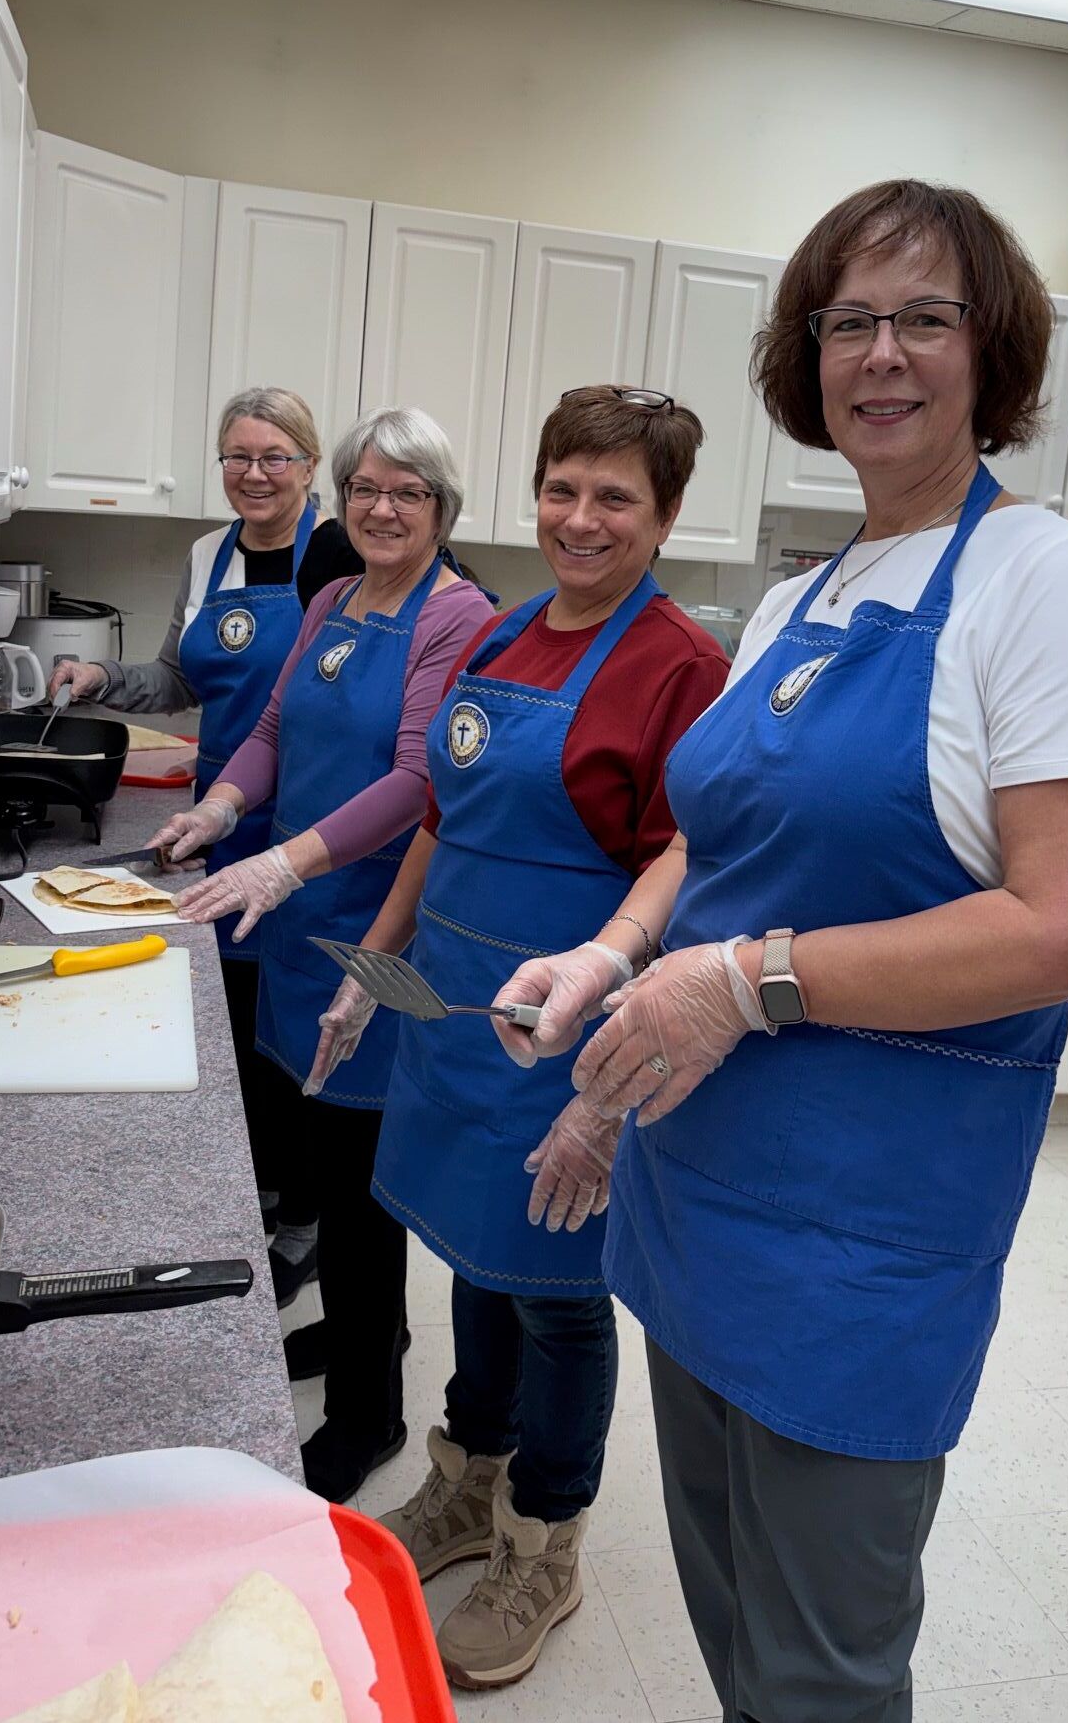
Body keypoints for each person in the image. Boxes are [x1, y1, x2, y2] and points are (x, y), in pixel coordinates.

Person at [494, 183, 1068, 1722]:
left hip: (864, 1236)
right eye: (847, 320)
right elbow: (712, 840)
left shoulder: (1047, 583)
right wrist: (618, 953)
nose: (882, 353)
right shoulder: (803, 590)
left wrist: (744, 982)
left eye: (926, 317)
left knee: (824, 1674)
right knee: (734, 1622)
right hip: (696, 1191)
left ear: (992, 351)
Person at [310, 386, 729, 1690]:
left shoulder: (680, 666)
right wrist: (373, 972)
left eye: (616, 497)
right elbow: (440, 813)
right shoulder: (497, 634)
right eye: (564, 488)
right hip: (454, 1025)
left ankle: (545, 1540)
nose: (582, 519)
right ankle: (464, 1481)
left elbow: (691, 858)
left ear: (663, 516)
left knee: (554, 1299)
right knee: (471, 1268)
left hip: (569, 1041)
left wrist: (610, 1069)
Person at [166, 406, 494, 1503]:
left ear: (442, 508)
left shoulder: (458, 617)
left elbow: (418, 781)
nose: (381, 507)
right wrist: (221, 811)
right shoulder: (332, 599)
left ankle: (370, 1417)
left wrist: (283, 864)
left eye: (406, 491)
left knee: (360, 1189)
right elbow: (268, 735)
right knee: (318, 1155)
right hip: (296, 924)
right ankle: (370, 1339)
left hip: (373, 931)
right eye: (365, 488)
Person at [47, 388, 361, 1299]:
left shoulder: (341, 554)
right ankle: (259, 1194)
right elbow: (181, 678)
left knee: (297, 1026)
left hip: (308, 832)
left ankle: (308, 1220)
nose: (254, 474)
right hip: (218, 817)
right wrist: (103, 676)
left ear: (309, 466)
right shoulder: (204, 555)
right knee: (235, 1020)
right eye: (236, 456)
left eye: (274, 456)